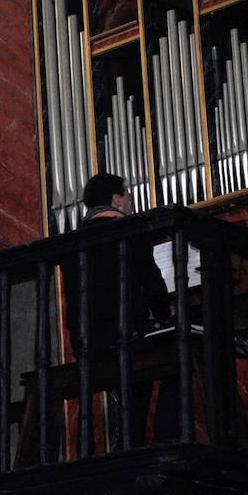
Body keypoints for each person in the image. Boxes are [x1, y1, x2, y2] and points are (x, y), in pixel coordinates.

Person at [61, 172, 174, 446]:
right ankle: (165, 440)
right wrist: (166, 315)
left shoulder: (72, 243)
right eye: (129, 196)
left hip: (87, 342)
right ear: (116, 199)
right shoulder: (130, 231)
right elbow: (153, 285)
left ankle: (126, 443)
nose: (131, 202)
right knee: (178, 351)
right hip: (125, 335)